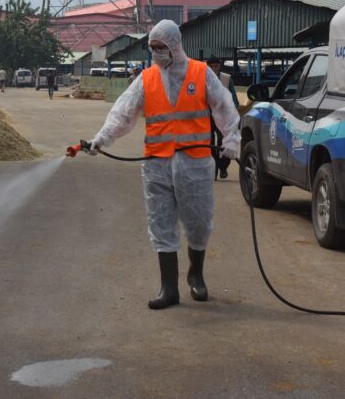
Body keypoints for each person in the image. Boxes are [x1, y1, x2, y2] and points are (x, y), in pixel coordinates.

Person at [85, 20, 240, 310]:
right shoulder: (146, 79)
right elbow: (123, 113)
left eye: (161, 47)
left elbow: (223, 106)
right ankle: (168, 288)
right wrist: (101, 139)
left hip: (194, 163)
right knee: (161, 223)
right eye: (152, 48)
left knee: (198, 223)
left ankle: (196, 275)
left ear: (175, 45)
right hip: (157, 164)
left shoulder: (200, 72)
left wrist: (231, 138)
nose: (156, 53)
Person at [206, 56, 240, 180]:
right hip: (207, 116)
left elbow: (234, 97)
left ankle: (223, 166)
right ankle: (214, 168)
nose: (213, 69)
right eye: (211, 66)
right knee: (209, 143)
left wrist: (234, 115)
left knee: (224, 142)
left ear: (220, 66)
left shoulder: (226, 78)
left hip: (222, 116)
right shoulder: (202, 78)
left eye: (216, 66)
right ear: (207, 66)